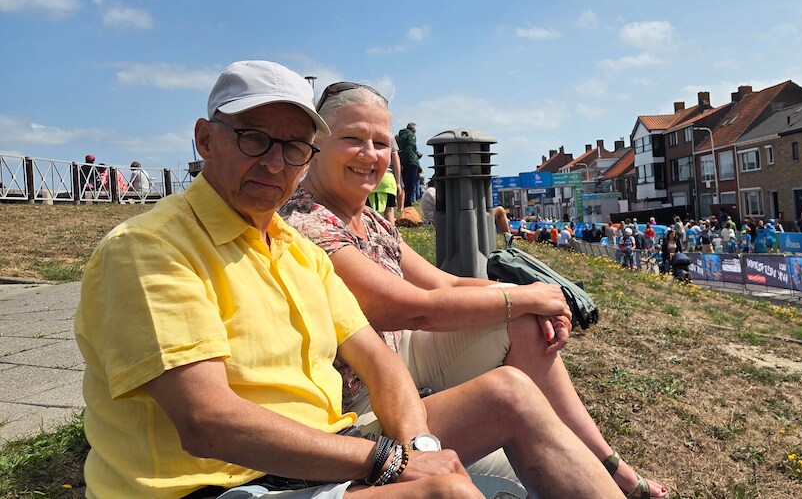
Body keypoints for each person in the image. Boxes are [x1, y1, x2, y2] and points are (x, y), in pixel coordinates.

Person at [75, 61, 623, 499]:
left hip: (320, 452)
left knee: (509, 393)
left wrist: (420, 445)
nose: (274, 162)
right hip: (219, 482)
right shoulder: (150, 249)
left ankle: (612, 473)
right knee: (444, 492)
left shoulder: (293, 248)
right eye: (253, 138)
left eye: (292, 147)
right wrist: (390, 461)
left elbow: (381, 360)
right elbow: (206, 422)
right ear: (205, 139)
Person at [281, 83, 667, 498]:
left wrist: (530, 296)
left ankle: (607, 463)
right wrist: (526, 296)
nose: (370, 155)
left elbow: (444, 282)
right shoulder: (308, 223)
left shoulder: (370, 220)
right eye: (352, 139)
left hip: (392, 359)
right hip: (357, 399)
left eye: (380, 143)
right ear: (314, 144)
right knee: (513, 375)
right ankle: (597, 472)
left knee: (525, 325)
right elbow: (408, 310)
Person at [395, 122, 422, 207]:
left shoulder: (401, 136)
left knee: (405, 185)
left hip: (403, 163)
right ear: (414, 129)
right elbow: (410, 149)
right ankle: (409, 205)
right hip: (410, 163)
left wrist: (401, 162)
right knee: (411, 185)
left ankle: (404, 204)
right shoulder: (411, 136)